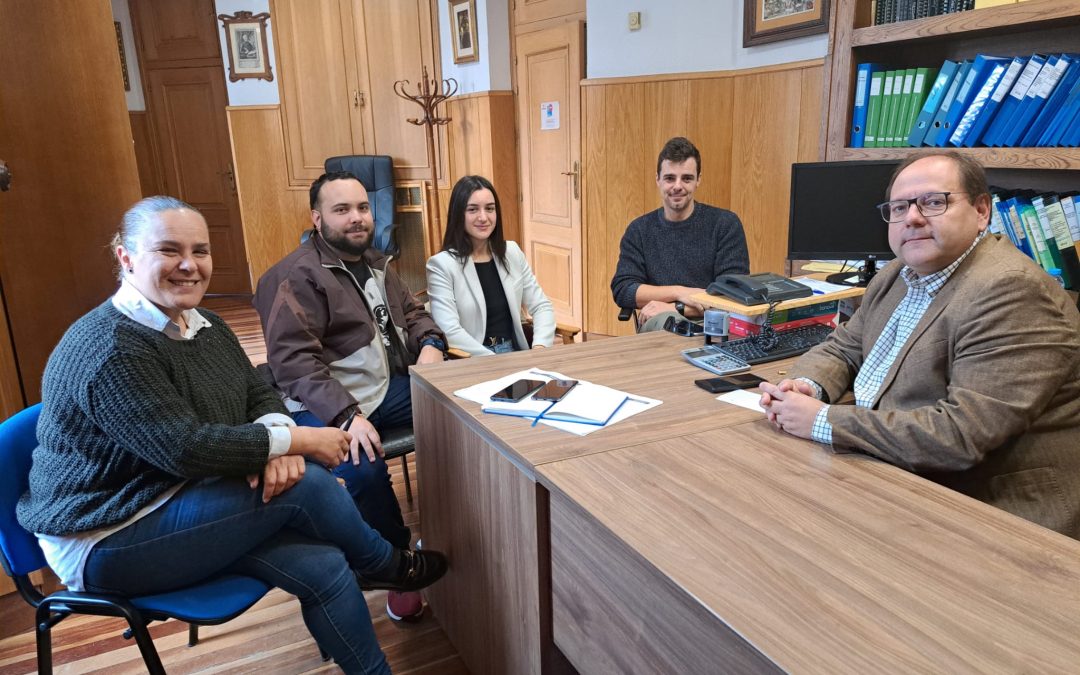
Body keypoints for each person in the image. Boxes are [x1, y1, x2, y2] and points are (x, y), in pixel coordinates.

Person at [16, 196, 448, 674]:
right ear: (126, 257)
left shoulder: (206, 324)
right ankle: (387, 564)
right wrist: (298, 441)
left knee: (324, 566)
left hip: (184, 497)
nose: (189, 265)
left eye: (200, 251)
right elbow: (187, 449)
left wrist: (274, 434)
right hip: (107, 533)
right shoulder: (110, 347)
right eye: (168, 250)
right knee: (308, 484)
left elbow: (257, 392)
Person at [759, 151, 1080, 539]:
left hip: (994, 511)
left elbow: (960, 434)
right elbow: (844, 347)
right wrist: (807, 385)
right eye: (898, 207)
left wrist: (821, 421)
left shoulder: (1011, 290)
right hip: (897, 469)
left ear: (982, 211)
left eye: (933, 202)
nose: (911, 217)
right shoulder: (898, 273)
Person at [254, 172, 447, 621]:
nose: (357, 218)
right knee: (364, 469)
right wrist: (345, 416)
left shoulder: (377, 263)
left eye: (362, 207)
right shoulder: (292, 276)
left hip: (380, 389)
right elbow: (294, 364)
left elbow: (414, 314)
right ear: (317, 219)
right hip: (320, 406)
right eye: (342, 210)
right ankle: (394, 564)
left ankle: (453, 524)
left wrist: (432, 345)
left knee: (459, 409)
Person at [610, 136, 750, 332]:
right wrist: (681, 292)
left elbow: (732, 295)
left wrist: (676, 307)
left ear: (698, 180)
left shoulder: (725, 225)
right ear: (657, 179)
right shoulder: (639, 230)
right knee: (667, 322)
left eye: (686, 178)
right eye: (669, 178)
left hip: (713, 326)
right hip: (658, 326)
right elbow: (624, 290)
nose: (677, 186)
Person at [426, 175, 555, 356]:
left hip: (517, 354)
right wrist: (495, 361)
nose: (483, 217)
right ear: (458, 214)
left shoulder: (512, 252)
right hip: (475, 360)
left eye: (490, 209)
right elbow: (450, 331)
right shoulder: (441, 265)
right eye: (473, 209)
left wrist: (540, 347)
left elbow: (542, 306)